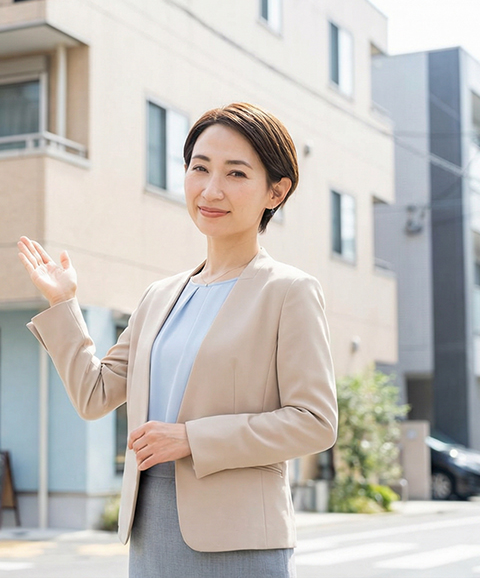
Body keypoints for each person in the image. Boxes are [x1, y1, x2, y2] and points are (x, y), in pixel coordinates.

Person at [17, 102, 337, 578]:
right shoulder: (160, 296)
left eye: (235, 173)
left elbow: (314, 423)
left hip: (241, 539)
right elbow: (94, 394)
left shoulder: (289, 291)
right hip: (152, 525)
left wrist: (191, 439)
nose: (211, 189)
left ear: (276, 191)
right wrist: (64, 303)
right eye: (199, 168)